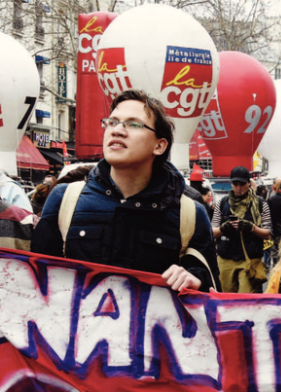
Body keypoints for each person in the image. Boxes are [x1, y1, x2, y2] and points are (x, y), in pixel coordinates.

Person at [33, 89, 219, 292]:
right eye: (112, 122)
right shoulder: (64, 200)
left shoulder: (190, 214)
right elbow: (37, 284)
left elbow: (212, 290)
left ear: (159, 145)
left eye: (133, 124)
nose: (117, 130)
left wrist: (195, 280)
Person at [212, 166, 272, 293]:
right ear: (231, 184)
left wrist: (251, 227)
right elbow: (212, 233)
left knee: (246, 302)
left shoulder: (260, 203)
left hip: (250, 260)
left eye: (242, 184)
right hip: (225, 259)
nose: (239, 188)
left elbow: (268, 233)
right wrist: (224, 227)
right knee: (225, 301)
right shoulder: (223, 203)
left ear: (249, 183)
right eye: (235, 184)